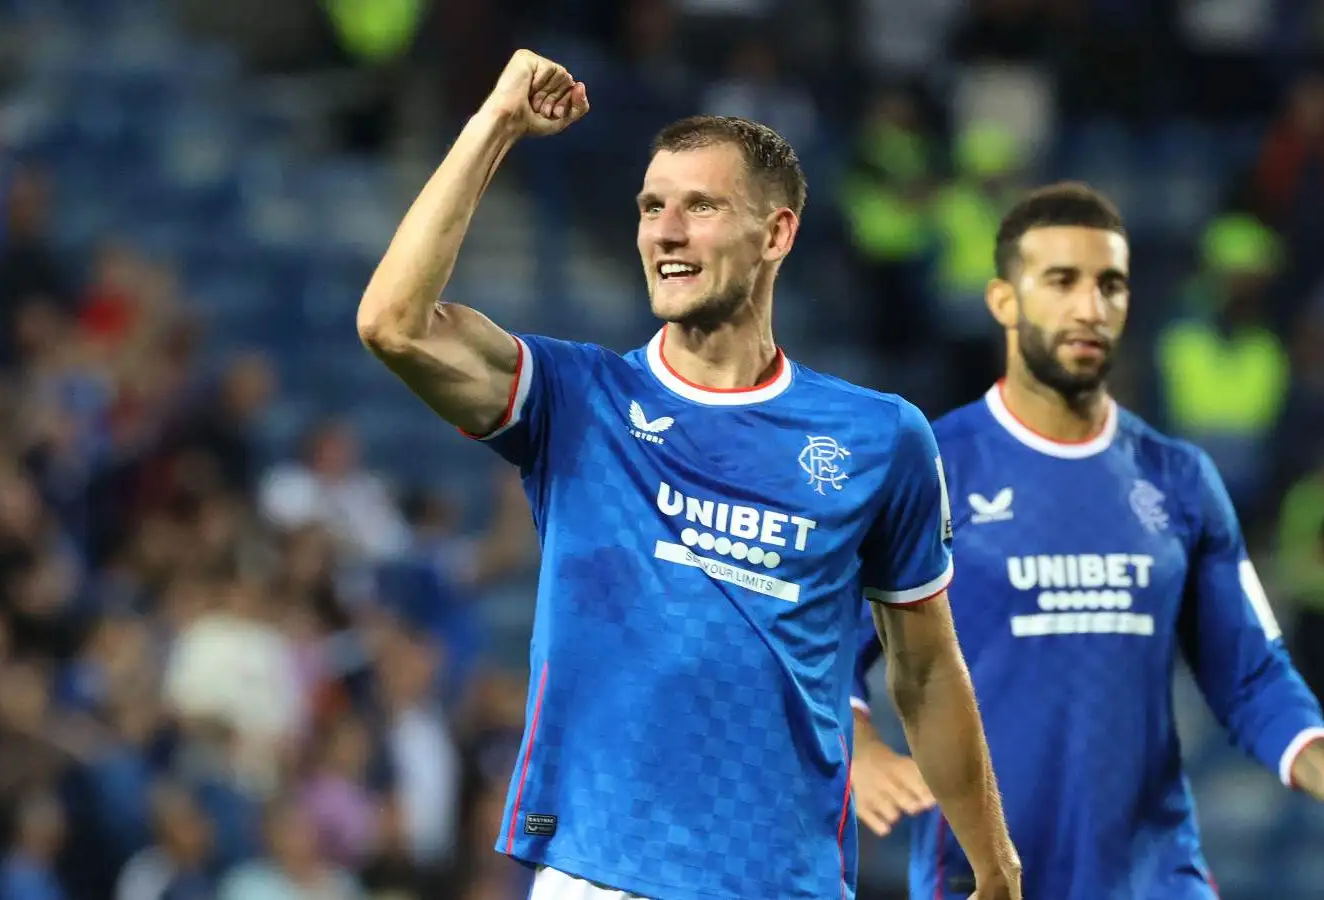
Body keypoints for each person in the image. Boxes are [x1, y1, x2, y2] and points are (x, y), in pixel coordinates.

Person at [355, 50, 1020, 900]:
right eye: (650, 208)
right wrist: (494, 125)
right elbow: (394, 326)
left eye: (699, 207)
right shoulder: (580, 402)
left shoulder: (879, 438)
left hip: (785, 880)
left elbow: (926, 670)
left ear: (776, 233)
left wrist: (994, 863)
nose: (665, 231)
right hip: (602, 873)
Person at [847, 183, 1324, 899]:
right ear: (1002, 300)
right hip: (987, 877)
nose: (1090, 307)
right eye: (1061, 281)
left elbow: (1250, 674)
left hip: (1156, 878)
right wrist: (861, 746)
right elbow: (826, 649)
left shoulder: (1179, 478)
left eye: (1109, 284)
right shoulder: (931, 468)